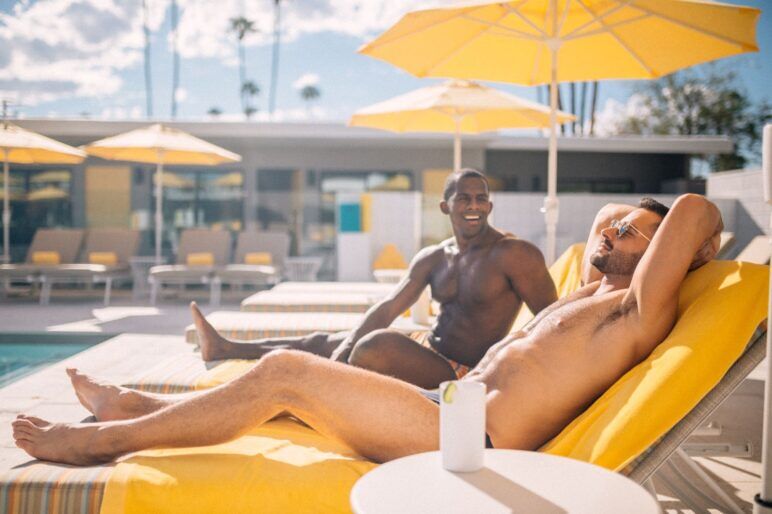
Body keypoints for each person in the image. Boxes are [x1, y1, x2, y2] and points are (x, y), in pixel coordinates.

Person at [12, 194, 723, 467]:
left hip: (472, 441)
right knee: (290, 396)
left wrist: (686, 239)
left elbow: (692, 208)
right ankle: (142, 408)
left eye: (633, 230)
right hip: (449, 412)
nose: (612, 228)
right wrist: (617, 225)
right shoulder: (582, 295)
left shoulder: (633, 313)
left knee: (289, 370)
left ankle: (109, 439)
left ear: (671, 256)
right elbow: (615, 220)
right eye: (611, 222)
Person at [192, 168, 558, 388]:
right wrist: (342, 348)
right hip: (429, 351)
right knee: (331, 340)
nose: (474, 206)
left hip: (465, 372)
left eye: (481, 199)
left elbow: (555, 320)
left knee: (374, 346)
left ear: (490, 206)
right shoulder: (434, 256)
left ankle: (319, 384)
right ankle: (227, 349)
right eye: (464, 198)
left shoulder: (515, 254)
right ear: (446, 206)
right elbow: (388, 307)